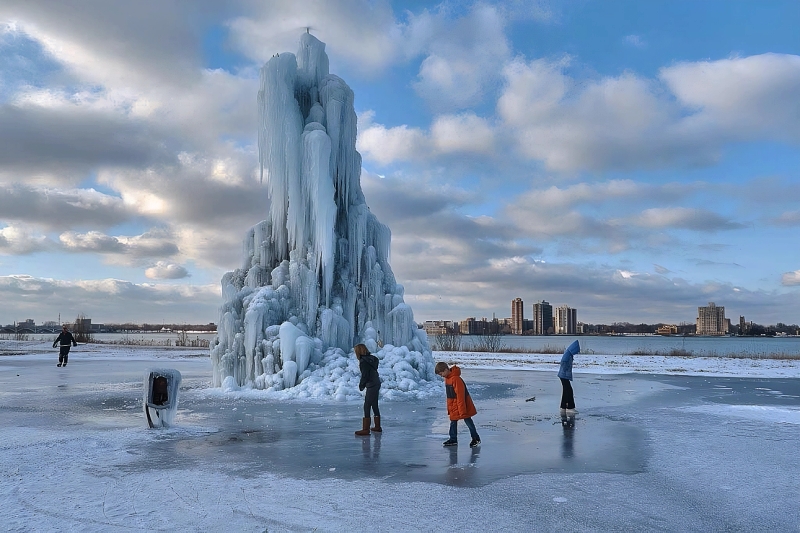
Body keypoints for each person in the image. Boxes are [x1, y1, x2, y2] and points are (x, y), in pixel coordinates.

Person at [435, 362, 481, 448]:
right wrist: (450, 407)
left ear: (445, 370)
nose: (441, 376)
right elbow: (450, 396)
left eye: (441, 373)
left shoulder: (456, 379)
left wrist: (462, 410)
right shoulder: (447, 379)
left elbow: (460, 396)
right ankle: (453, 439)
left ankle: (476, 438)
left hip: (462, 405)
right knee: (453, 422)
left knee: (468, 421)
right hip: (453, 406)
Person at [354, 344, 382, 436]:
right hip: (376, 382)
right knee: (374, 404)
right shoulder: (373, 358)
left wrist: (361, 385)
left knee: (367, 405)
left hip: (371, 384)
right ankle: (377, 427)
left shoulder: (363, 361)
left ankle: (365, 429)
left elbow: (365, 375)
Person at [558, 340, 580, 415]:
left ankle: (563, 406)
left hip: (563, 375)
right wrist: (566, 374)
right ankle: (570, 408)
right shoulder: (568, 355)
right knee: (569, 391)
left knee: (566, 391)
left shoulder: (568, 353)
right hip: (564, 376)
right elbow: (564, 364)